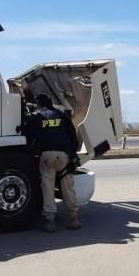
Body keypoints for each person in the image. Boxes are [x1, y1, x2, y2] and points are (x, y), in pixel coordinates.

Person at [24, 93, 81, 233]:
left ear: (38, 104)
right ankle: (74, 219)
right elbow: (73, 137)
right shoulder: (62, 116)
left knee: (48, 188)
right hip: (63, 156)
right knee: (68, 187)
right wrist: (71, 156)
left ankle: (50, 222)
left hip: (46, 156)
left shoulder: (36, 117)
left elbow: (28, 138)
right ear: (50, 103)